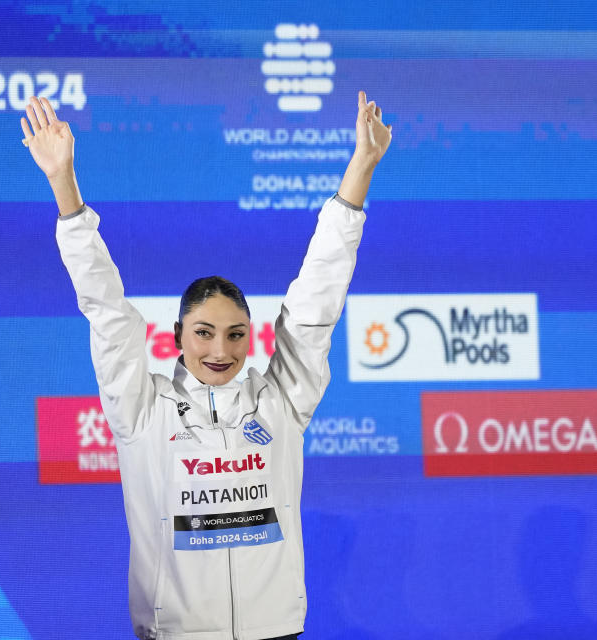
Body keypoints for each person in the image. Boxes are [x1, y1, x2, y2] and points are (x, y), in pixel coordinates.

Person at [21, 91, 391, 640]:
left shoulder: (280, 400)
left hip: (276, 631)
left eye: (236, 334)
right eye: (204, 333)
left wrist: (361, 166)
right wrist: (64, 187)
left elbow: (318, 298)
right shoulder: (141, 410)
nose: (221, 350)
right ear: (176, 337)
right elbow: (106, 311)